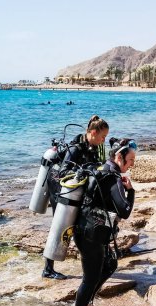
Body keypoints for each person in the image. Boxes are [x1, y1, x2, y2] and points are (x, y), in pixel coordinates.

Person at [72, 137, 137, 306]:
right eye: (130, 160)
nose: (131, 164)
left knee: (110, 265)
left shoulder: (102, 168)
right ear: (119, 157)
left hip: (87, 230)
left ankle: (88, 302)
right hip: (91, 235)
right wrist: (131, 191)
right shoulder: (113, 178)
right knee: (90, 279)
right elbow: (124, 211)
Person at [42, 115, 109, 280]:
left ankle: (99, 260)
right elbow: (64, 172)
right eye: (102, 137)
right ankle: (48, 269)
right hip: (59, 189)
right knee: (61, 224)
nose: (103, 140)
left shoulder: (92, 146)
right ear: (93, 133)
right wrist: (81, 171)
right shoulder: (76, 148)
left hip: (73, 189)